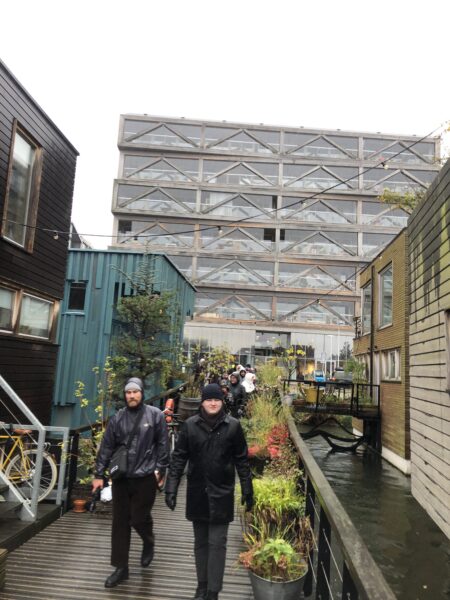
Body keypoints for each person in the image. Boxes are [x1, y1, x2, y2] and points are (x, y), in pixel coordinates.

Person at [165, 383, 253, 600]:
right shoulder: (190, 426)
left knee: (218, 543)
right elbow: (179, 458)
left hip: (222, 492)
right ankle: (202, 586)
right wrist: (171, 487)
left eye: (216, 400)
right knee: (201, 543)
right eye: (208, 399)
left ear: (222, 401)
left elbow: (242, 459)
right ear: (202, 402)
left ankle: (213, 590)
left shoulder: (233, 426)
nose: (213, 403)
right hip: (197, 492)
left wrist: (247, 488)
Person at [92, 377, 169, 588]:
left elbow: (163, 445)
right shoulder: (118, 418)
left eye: (135, 392)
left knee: (138, 518)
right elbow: (107, 447)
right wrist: (98, 474)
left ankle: (148, 541)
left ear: (142, 393)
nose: (132, 396)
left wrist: (160, 469)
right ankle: (121, 568)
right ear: (125, 395)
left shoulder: (155, 415)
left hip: (146, 476)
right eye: (128, 392)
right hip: (122, 477)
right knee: (120, 522)